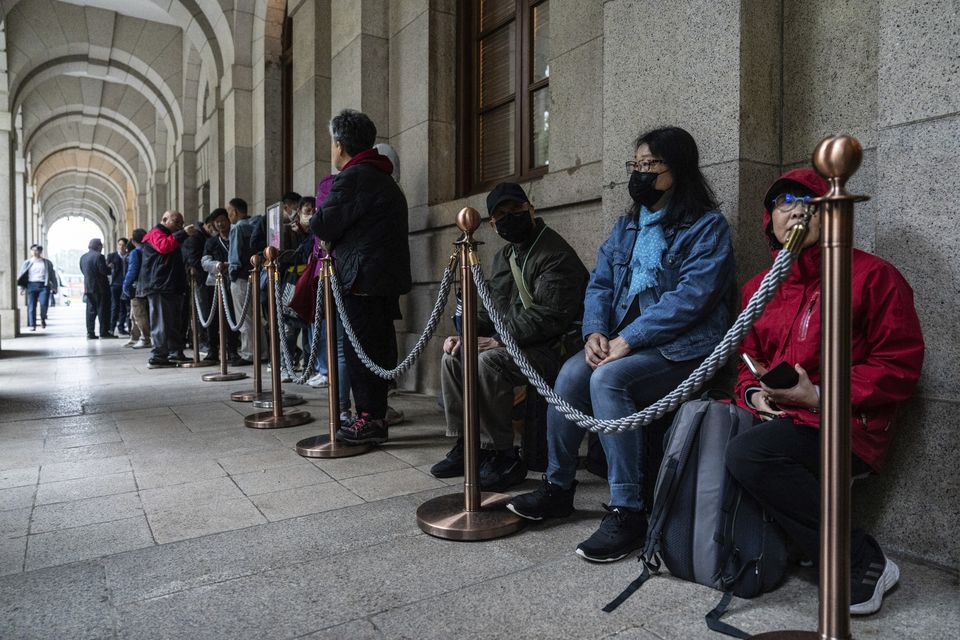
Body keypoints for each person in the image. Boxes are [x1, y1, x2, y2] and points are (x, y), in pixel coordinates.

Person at [507, 126, 737, 563]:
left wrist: (628, 339)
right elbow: (600, 282)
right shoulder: (627, 224)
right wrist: (594, 331)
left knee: (608, 380)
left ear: (678, 170)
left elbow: (691, 299)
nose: (641, 174)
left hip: (681, 349)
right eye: (636, 165)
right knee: (572, 373)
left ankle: (627, 511)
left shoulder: (707, 227)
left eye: (651, 166)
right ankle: (557, 487)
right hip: (618, 342)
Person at [725, 167, 924, 615]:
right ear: (769, 221)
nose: (793, 210)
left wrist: (819, 395)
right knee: (715, 431)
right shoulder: (759, 287)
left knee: (750, 454)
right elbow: (747, 359)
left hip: (847, 421)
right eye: (782, 202)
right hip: (780, 417)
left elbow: (900, 365)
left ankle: (862, 557)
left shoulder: (873, 276)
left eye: (806, 201)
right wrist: (753, 395)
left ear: (830, 216)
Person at [431, 182, 589, 491]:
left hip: (554, 347)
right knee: (453, 358)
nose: (509, 217)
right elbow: (493, 307)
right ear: (492, 223)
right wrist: (464, 334)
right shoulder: (505, 255)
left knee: (489, 362)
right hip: (522, 342)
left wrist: (500, 340)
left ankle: (502, 453)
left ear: (531, 208)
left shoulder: (554, 253)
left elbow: (548, 317)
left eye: (516, 210)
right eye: (501, 214)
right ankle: (469, 445)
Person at [311, 109, 410, 445]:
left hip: (360, 280)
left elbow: (324, 224)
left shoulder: (354, 177)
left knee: (361, 352)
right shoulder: (382, 176)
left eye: (332, 144)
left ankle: (368, 419)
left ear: (340, 145)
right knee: (377, 349)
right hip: (380, 280)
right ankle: (374, 416)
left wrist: (311, 218)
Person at [141, 210, 196, 366]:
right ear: (164, 220)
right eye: (176, 221)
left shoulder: (173, 236)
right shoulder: (156, 233)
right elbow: (164, 247)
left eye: (181, 222)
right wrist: (183, 234)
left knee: (173, 322)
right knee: (161, 322)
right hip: (160, 286)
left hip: (172, 285)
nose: (179, 225)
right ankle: (158, 356)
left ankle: (175, 352)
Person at [201, 208, 239, 362]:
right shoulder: (211, 242)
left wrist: (231, 265)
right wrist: (217, 265)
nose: (220, 224)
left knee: (233, 318)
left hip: (234, 282)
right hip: (215, 284)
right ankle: (212, 350)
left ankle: (232, 350)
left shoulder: (236, 236)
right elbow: (204, 261)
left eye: (223, 220)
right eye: (217, 222)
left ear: (228, 220)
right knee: (213, 318)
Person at [227, 197, 262, 366]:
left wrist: (232, 273)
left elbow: (234, 255)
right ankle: (262, 351)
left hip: (240, 277)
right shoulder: (256, 223)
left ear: (234, 212)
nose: (229, 216)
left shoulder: (237, 228)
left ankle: (249, 352)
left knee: (244, 317)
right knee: (256, 316)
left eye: (229, 212)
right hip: (255, 273)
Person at [79, 238, 114, 339]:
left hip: (88, 287)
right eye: (101, 245)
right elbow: (103, 271)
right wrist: (109, 267)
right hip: (101, 288)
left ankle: (90, 333)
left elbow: (83, 270)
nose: (102, 247)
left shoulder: (83, 257)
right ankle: (104, 332)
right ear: (98, 246)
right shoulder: (99, 256)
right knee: (103, 310)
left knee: (90, 310)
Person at [17, 244, 58, 331]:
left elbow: (52, 275)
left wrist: (55, 286)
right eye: (33, 250)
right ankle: (32, 324)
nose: (35, 252)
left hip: (44, 286)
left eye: (37, 250)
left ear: (40, 251)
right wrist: (21, 288)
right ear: (31, 251)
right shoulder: (27, 263)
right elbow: (22, 275)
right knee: (31, 306)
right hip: (31, 285)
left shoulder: (47, 263)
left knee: (44, 304)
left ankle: (43, 318)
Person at [122, 229, 151, 349]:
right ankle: (135, 337)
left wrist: (126, 285)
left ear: (133, 241)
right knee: (135, 313)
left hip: (137, 286)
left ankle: (145, 338)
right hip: (150, 285)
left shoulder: (135, 252)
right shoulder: (150, 250)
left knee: (139, 313)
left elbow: (132, 271)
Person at [106, 238, 130, 336]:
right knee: (114, 306)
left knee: (124, 307)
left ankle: (121, 327)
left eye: (123, 245)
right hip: (115, 284)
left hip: (125, 284)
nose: (121, 247)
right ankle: (111, 328)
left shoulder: (129, 256)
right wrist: (109, 267)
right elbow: (107, 269)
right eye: (119, 245)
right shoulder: (112, 256)